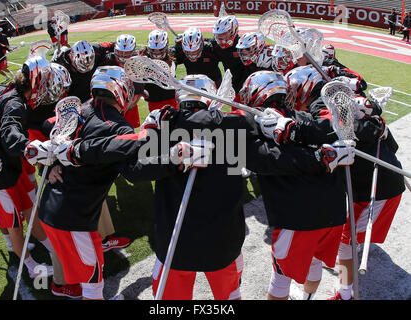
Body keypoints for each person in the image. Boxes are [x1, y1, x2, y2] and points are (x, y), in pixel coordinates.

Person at [122, 74, 354, 300]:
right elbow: (274, 159)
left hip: (173, 240)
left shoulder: (165, 125)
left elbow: (134, 169)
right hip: (223, 240)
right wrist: (320, 157)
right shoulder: (235, 126)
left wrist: (174, 156)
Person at [242, 70, 355, 300]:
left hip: (299, 216)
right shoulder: (302, 118)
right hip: (334, 211)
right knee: (313, 260)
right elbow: (330, 129)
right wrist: (318, 153)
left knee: (281, 276)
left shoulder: (253, 127)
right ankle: (307, 298)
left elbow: (267, 159)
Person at [38, 66, 147, 300]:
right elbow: (134, 172)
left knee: (89, 274)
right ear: (122, 90)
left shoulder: (80, 109)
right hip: (75, 217)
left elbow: (49, 126)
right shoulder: (118, 127)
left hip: (51, 206)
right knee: (92, 284)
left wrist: (48, 167)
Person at [0, 56, 57, 280]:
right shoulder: (15, 103)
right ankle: (30, 268)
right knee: (15, 225)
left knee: (30, 210)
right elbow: (10, 132)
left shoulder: (8, 90)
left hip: (8, 168)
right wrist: (29, 147)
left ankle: (51, 249)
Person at [329, 96, 405, 300]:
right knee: (350, 237)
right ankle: (356, 249)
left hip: (379, 191)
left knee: (345, 242)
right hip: (375, 186)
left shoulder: (355, 130)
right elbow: (394, 147)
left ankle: (345, 294)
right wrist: (379, 127)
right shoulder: (374, 124)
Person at [140, 30, 177, 112]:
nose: (157, 53)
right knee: (158, 121)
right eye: (153, 50)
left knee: (168, 122)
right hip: (153, 99)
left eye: (160, 49)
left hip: (169, 98)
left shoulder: (172, 56)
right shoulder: (142, 57)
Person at [211, 15, 248, 98]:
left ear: (233, 31)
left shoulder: (243, 45)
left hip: (249, 86)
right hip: (233, 87)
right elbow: (204, 44)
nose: (220, 38)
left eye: (224, 34)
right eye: (218, 35)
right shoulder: (215, 45)